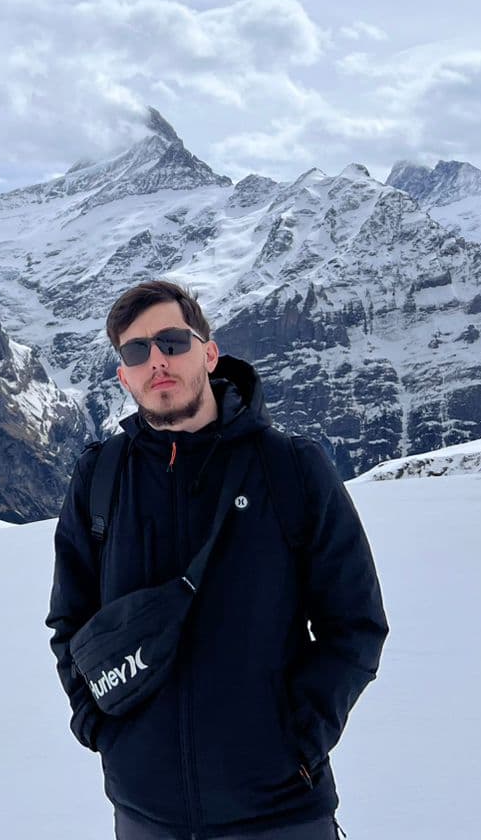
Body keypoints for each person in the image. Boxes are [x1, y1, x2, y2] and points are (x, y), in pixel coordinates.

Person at [47, 280, 388, 839]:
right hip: (144, 813)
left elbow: (354, 624)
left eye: (172, 342)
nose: (157, 360)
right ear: (123, 376)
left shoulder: (292, 469)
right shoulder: (100, 478)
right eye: (137, 351)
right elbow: (70, 619)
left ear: (209, 353)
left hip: (280, 812)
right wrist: (99, 724)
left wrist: (299, 739)